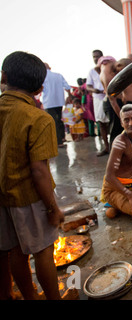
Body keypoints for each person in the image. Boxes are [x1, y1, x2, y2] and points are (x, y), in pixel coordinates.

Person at [0, 51, 77, 300]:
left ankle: (29, 296)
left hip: (2, 198)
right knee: (43, 251)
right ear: (40, 88)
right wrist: (52, 207)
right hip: (28, 199)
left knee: (15, 253)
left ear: (3, 77)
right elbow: (39, 170)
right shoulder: (38, 118)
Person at [41, 63, 72, 148]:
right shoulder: (58, 75)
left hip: (49, 102)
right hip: (59, 101)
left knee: (53, 122)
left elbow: (39, 89)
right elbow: (67, 87)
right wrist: (69, 97)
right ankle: (62, 138)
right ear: (50, 68)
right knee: (59, 120)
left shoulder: (42, 77)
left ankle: (58, 142)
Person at [86, 50, 110, 156]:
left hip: (109, 98)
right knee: (101, 123)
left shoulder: (108, 69)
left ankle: (115, 146)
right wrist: (94, 90)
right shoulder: (91, 71)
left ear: (102, 57)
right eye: (94, 57)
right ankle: (106, 147)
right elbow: (88, 86)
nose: (95, 58)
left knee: (112, 122)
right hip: (98, 99)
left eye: (97, 56)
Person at [98, 55, 124, 147]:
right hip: (112, 104)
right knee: (116, 131)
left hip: (114, 102)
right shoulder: (107, 74)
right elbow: (112, 99)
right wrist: (122, 118)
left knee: (119, 130)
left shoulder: (108, 66)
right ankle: (115, 154)